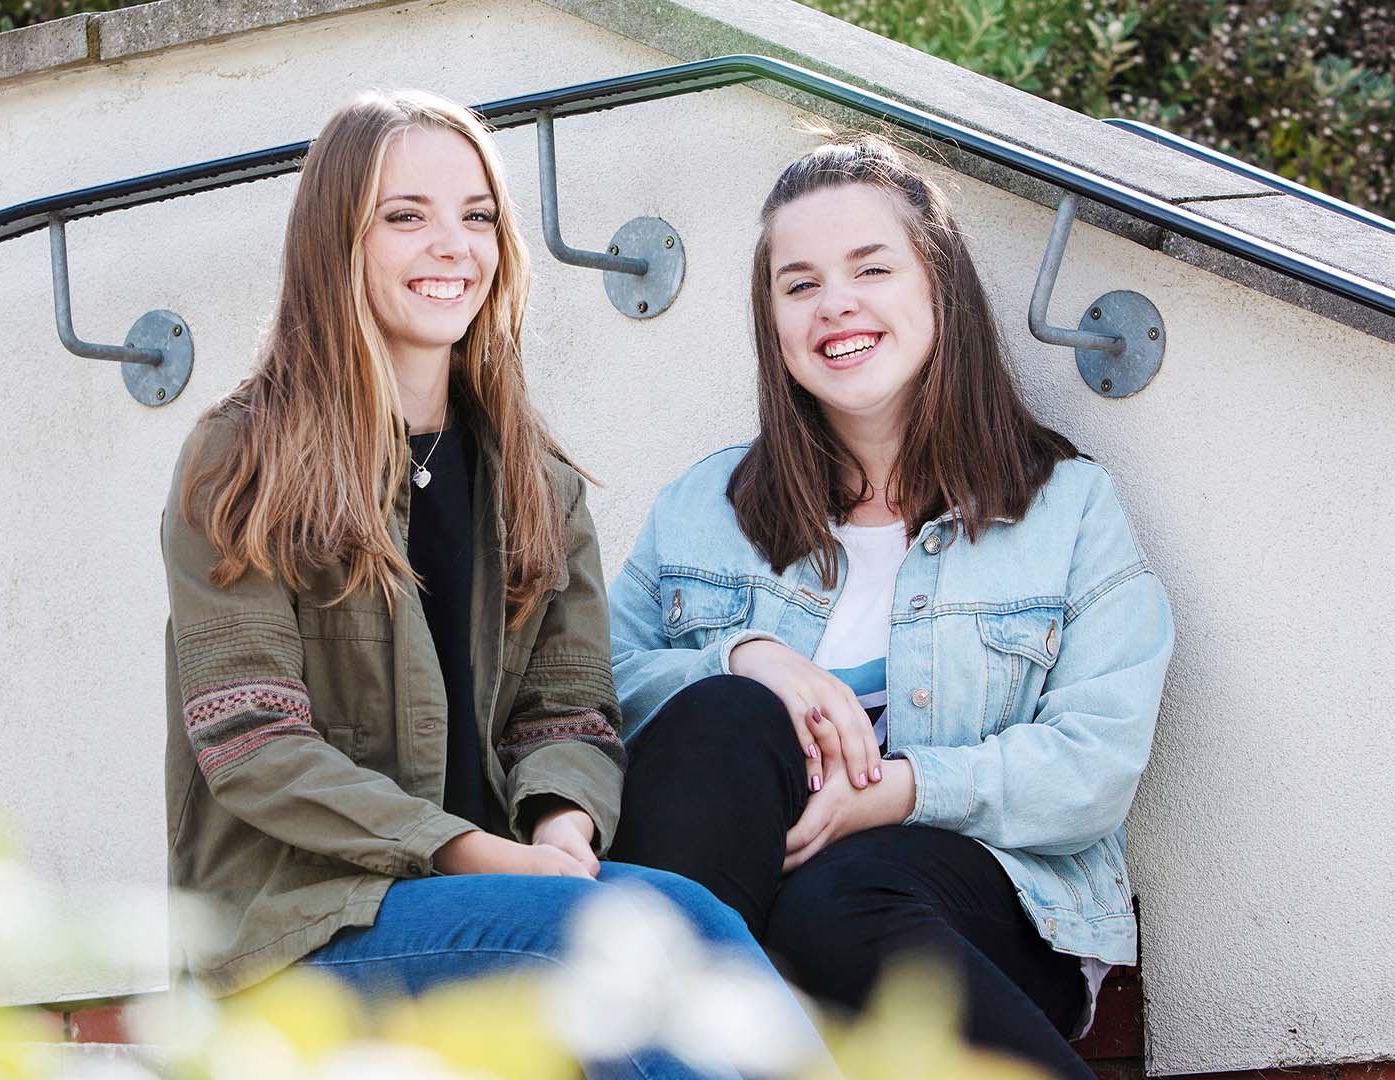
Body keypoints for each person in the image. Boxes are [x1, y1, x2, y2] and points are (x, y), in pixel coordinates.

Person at [160, 90, 813, 1079]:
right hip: (304, 925)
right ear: (339, 237)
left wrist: (561, 820)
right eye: (405, 215)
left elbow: (569, 712)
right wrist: (478, 852)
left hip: (505, 895)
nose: (451, 246)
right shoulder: (245, 460)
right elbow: (253, 747)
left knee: (690, 917)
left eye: (477, 217)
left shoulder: (534, 479)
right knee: (614, 939)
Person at [605, 133, 1175, 1080]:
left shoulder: (1065, 506)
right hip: (735, 894)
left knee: (843, 890)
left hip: (969, 911)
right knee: (730, 712)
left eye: (872, 267)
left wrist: (899, 791)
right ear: (774, 324)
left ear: (937, 289)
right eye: (800, 284)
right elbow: (586, 700)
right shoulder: (701, 510)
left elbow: (1095, 764)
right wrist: (745, 657)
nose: (837, 304)